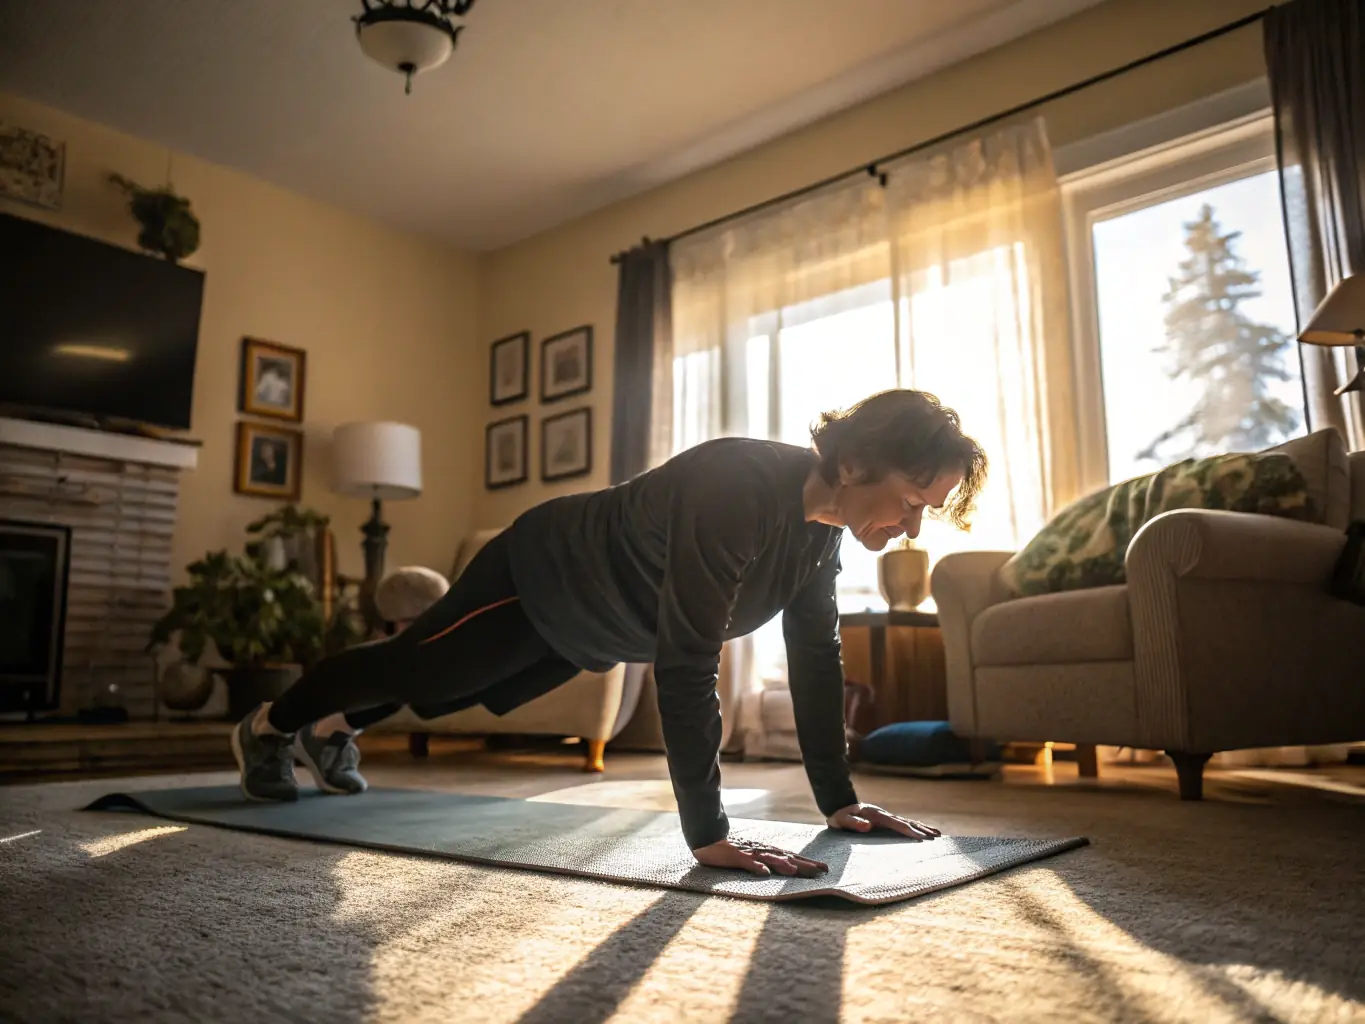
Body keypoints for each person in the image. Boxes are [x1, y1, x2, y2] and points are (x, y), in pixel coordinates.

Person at [231, 388, 988, 879]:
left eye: (930, 510)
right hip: (540, 574)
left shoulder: (820, 537)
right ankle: (270, 725)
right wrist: (708, 834)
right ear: (854, 463)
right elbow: (688, 661)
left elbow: (816, 660)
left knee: (453, 689)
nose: (914, 525)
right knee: (421, 670)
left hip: (590, 625)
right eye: (913, 499)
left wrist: (836, 801)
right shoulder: (741, 490)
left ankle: (330, 729)